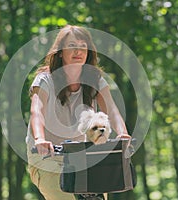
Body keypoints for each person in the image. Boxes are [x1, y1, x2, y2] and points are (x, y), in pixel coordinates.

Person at [26, 25, 131, 200]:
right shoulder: (45, 80)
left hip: (82, 157)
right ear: (60, 52)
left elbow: (111, 110)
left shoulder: (95, 80)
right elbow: (37, 111)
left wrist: (123, 134)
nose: (78, 51)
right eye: (72, 46)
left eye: (83, 46)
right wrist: (40, 140)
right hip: (48, 158)